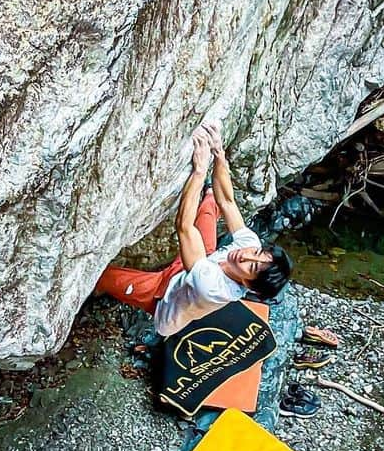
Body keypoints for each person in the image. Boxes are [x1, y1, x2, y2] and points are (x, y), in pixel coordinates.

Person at [95, 123, 292, 335]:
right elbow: (227, 201)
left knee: (103, 277)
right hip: (203, 260)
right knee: (212, 206)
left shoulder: (212, 288)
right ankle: (207, 194)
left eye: (252, 268)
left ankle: (98, 286)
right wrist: (218, 153)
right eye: (256, 253)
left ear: (249, 286)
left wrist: (199, 170)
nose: (245, 256)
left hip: (163, 294)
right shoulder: (249, 247)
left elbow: (184, 227)